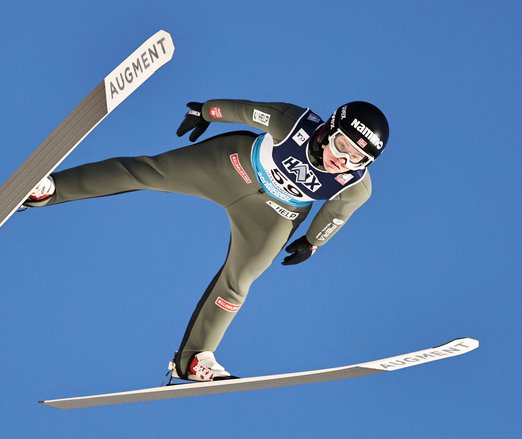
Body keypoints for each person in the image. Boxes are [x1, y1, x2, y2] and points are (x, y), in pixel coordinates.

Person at [25, 99, 390, 382]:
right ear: (329, 129)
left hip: (275, 213)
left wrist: (313, 241)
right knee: (147, 172)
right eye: (342, 145)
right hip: (231, 166)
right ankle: (51, 188)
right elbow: (245, 111)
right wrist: (205, 111)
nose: (341, 159)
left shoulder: (357, 184)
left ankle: (195, 359)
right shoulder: (293, 122)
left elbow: (336, 214)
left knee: (239, 282)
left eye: (357, 157)